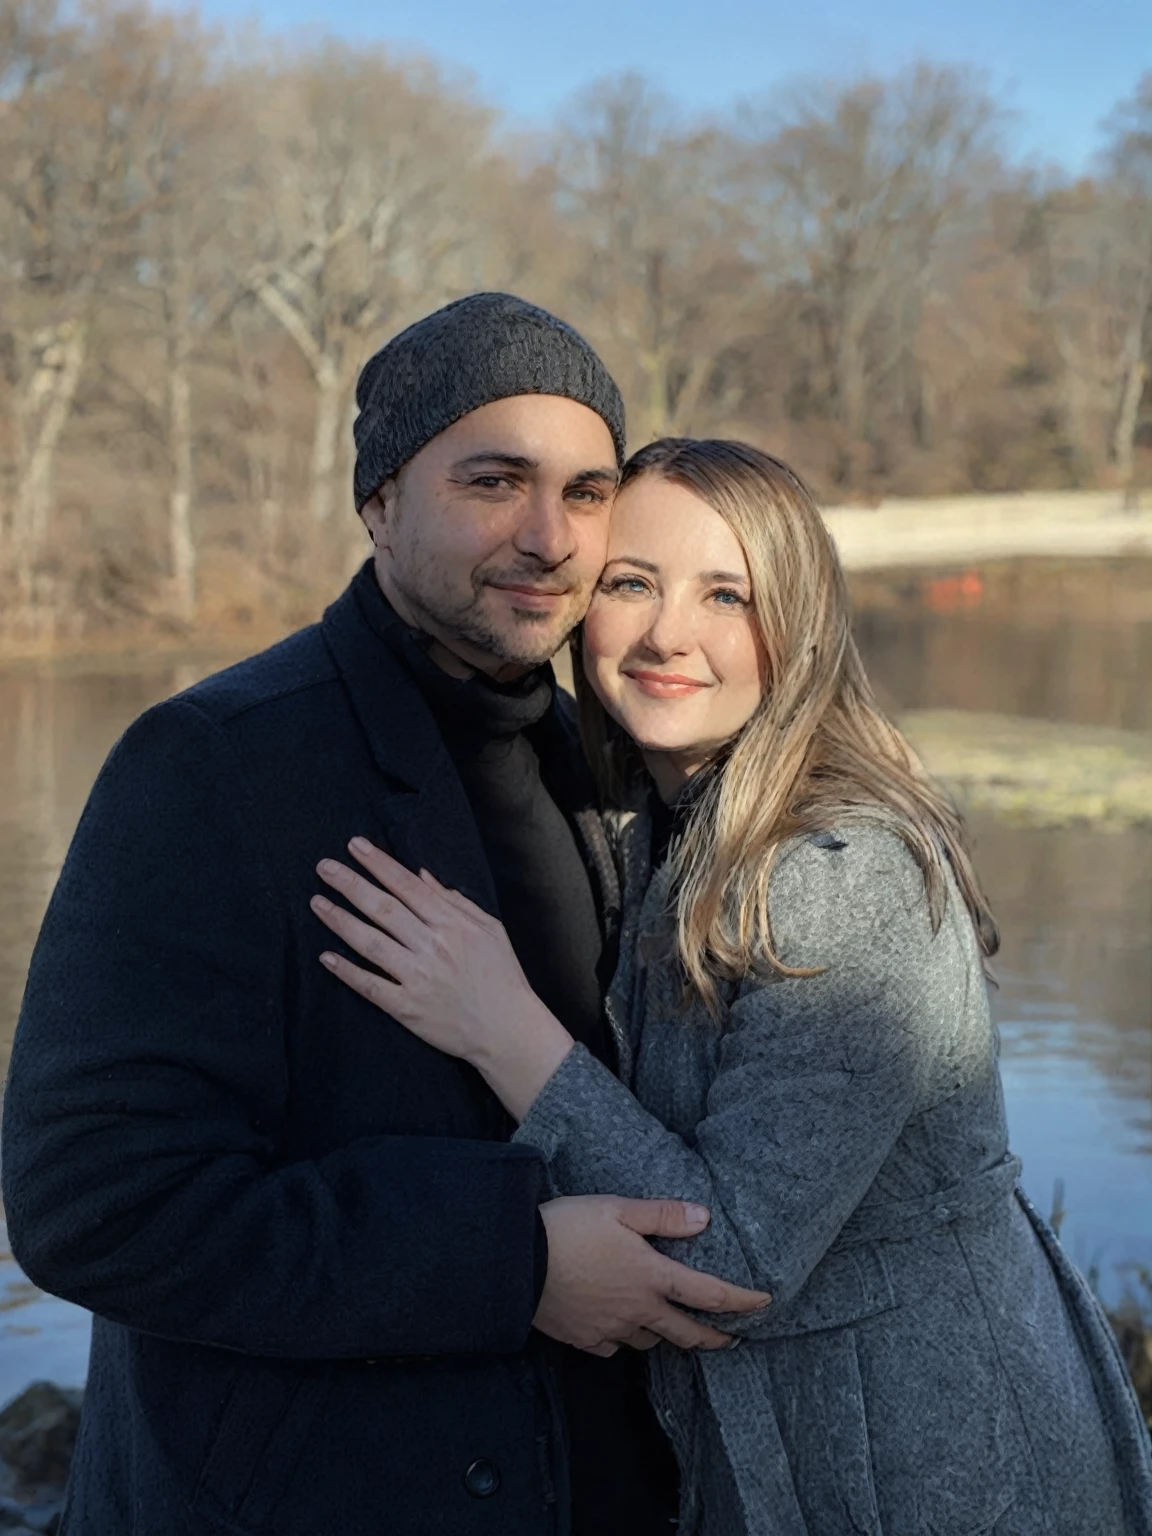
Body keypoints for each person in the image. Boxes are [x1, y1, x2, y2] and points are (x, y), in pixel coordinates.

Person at [2, 298, 775, 1536]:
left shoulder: (614, 758)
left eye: (586, 494)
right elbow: (95, 1208)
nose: (546, 536)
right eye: (493, 481)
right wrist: (511, 1265)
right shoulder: (213, 765)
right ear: (379, 499)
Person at [311, 437, 1152, 1536]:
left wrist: (500, 1024)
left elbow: (733, 1260)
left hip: (933, 1456)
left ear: (796, 628)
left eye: (727, 595)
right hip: (790, 1441)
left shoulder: (843, 873)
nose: (669, 633)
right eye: (631, 583)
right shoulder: (660, 825)